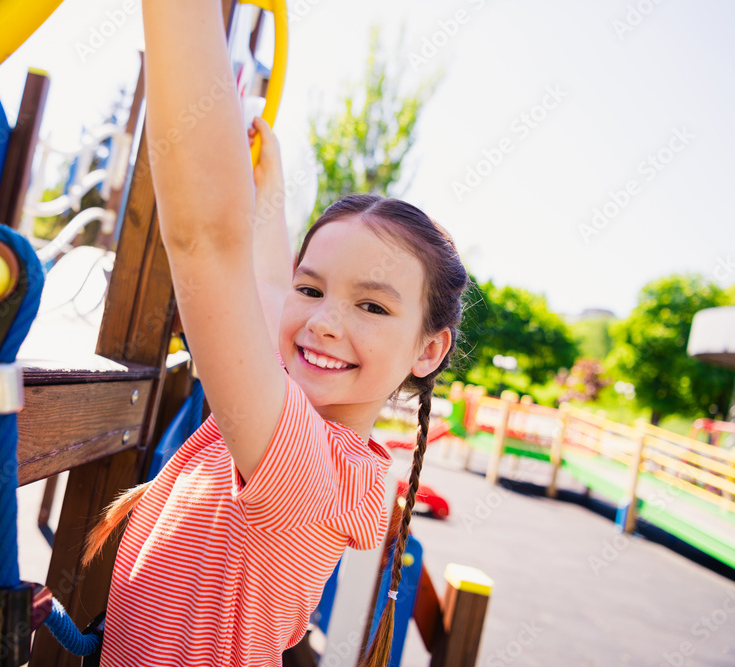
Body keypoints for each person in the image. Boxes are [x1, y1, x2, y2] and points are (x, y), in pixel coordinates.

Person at [81, 1, 470, 665]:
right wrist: (269, 186)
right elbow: (268, 290)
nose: (323, 320)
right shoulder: (313, 435)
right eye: (313, 288)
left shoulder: (307, 470)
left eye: (372, 307)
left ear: (429, 349)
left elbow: (205, 240)